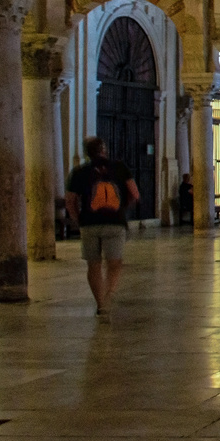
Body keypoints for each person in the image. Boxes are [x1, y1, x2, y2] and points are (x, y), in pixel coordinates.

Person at [64, 136, 140, 322]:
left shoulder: (79, 172)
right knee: (114, 264)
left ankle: (100, 304)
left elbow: (70, 201)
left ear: (86, 153)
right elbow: (135, 194)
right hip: (114, 222)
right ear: (104, 150)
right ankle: (108, 295)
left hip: (89, 223)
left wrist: (77, 218)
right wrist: (123, 209)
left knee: (94, 264)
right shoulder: (120, 168)